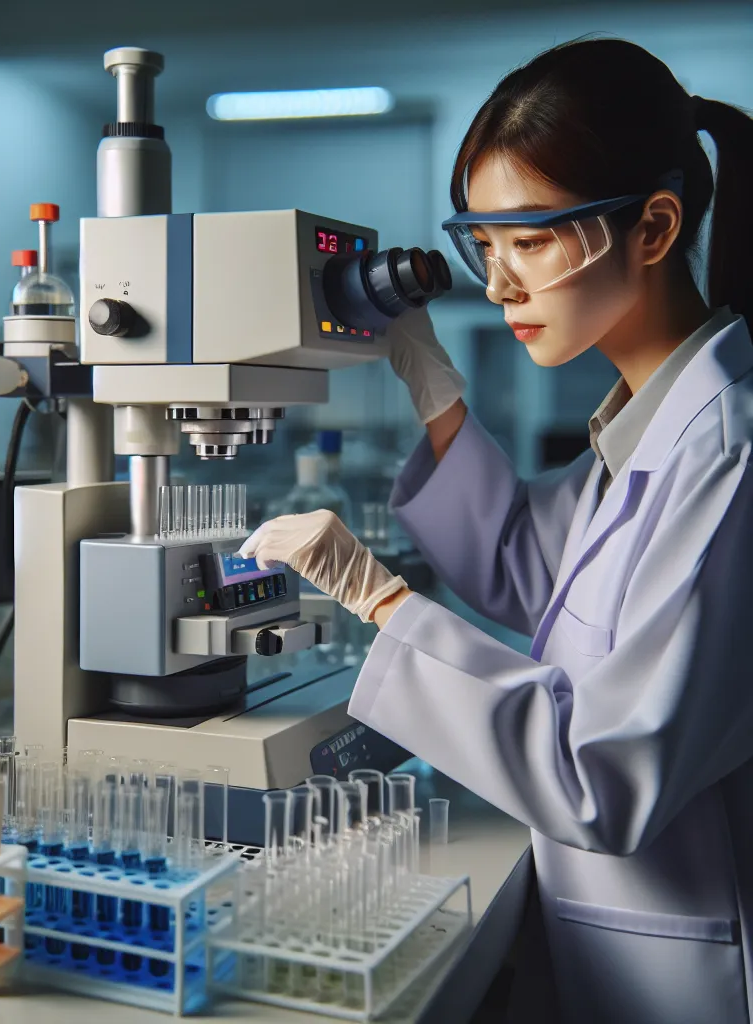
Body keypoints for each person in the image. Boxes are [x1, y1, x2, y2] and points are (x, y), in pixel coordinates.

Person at [240, 38, 753, 1024]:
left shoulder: (725, 453)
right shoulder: (644, 430)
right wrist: (431, 386)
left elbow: (603, 775)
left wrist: (377, 597)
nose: (497, 284)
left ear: (652, 228)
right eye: (482, 245)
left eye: (528, 239)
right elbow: (526, 566)